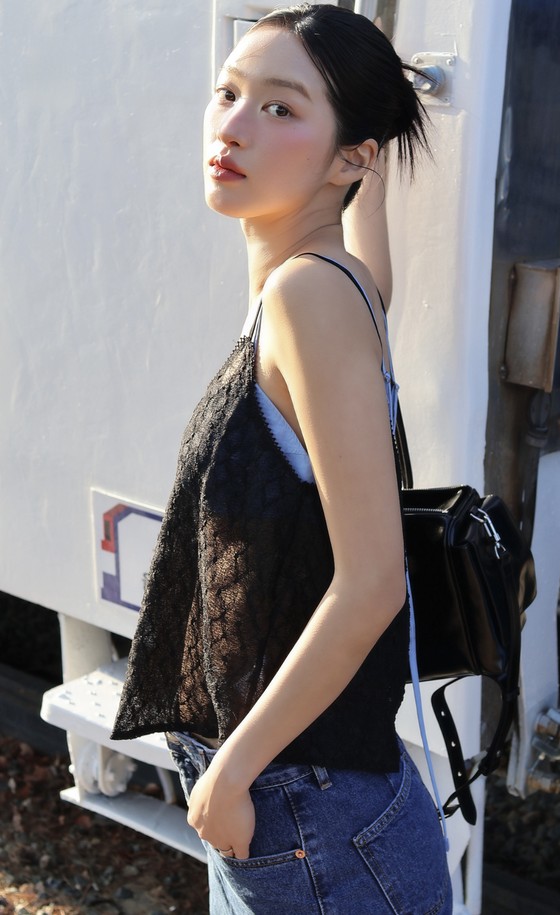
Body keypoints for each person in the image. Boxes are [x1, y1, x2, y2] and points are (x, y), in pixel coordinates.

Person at [112, 5, 452, 913]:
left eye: (280, 109)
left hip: (310, 821)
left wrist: (234, 769)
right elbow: (376, 273)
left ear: (350, 157)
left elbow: (372, 583)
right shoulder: (337, 284)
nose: (232, 127)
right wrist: (369, 177)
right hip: (311, 814)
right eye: (228, 93)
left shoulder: (310, 297)